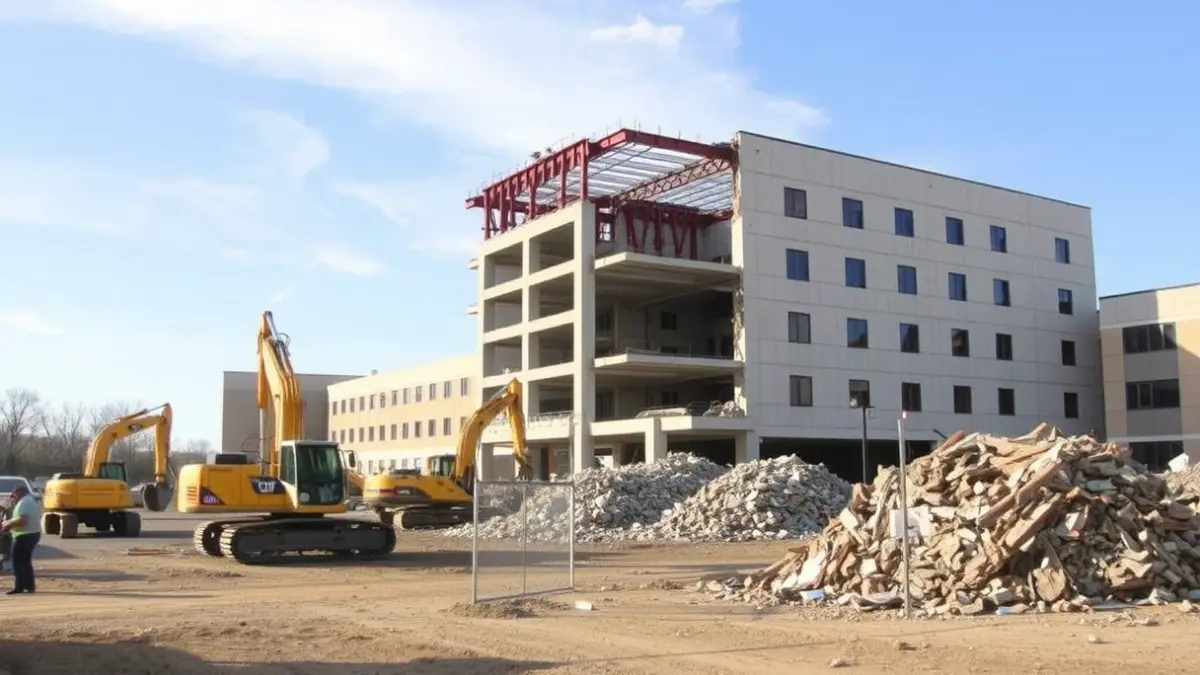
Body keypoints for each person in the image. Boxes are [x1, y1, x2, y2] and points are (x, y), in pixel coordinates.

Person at [0, 485, 41, 594]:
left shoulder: (25, 503)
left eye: (14, 494)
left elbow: (23, 521)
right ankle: (28, 586)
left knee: (18, 561)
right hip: (26, 534)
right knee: (24, 561)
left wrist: (8, 523)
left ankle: (20, 586)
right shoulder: (25, 501)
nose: (13, 497)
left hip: (26, 535)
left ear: (20, 492)